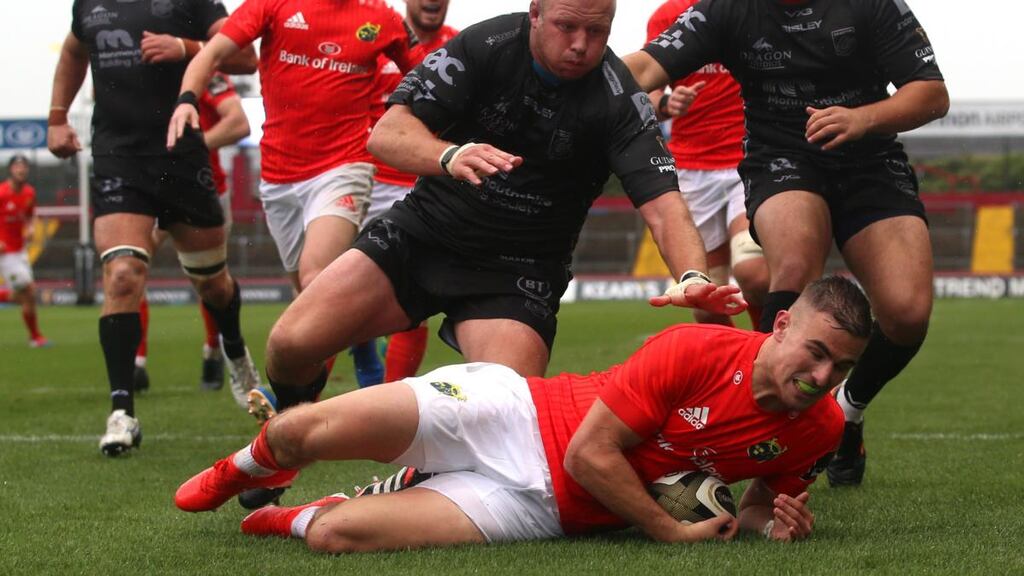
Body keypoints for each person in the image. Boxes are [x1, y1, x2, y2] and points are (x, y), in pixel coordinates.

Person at [241, 0, 743, 429]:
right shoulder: (485, 45)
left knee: (508, 413)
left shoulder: (620, 98)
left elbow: (664, 205)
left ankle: (415, 478)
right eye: (567, 26)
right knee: (289, 344)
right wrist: (449, 155)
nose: (581, 45)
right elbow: (387, 134)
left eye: (597, 31)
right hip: (426, 234)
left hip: (518, 271)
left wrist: (693, 275)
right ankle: (290, 434)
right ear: (535, 14)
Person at [173, 276, 871, 551]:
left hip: (547, 511)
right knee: (300, 430)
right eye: (813, 353)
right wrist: (666, 529)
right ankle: (238, 471)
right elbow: (587, 455)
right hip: (512, 413)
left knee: (335, 536)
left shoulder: (823, 426)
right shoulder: (694, 348)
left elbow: (750, 511)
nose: (820, 378)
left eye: (838, 369)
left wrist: (780, 524)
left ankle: (295, 512)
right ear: (779, 325)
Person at [624, 0, 949, 487]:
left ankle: (846, 410)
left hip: (870, 160)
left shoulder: (871, 5)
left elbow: (931, 94)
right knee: (792, 268)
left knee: (907, 314)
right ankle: (753, 437)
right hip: (781, 157)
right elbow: (646, 66)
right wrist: (576, 76)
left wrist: (862, 118)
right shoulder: (726, 10)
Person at [47, 0, 260, 456]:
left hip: (182, 160)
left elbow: (246, 57)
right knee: (122, 274)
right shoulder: (89, 5)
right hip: (119, 159)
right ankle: (122, 411)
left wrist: (185, 46)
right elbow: (72, 52)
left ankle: (236, 352)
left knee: (214, 287)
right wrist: (57, 117)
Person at [168, 0, 419, 295]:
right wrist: (186, 100)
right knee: (305, 294)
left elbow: (426, 78)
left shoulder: (382, 17)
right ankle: (355, 338)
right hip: (279, 178)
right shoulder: (272, 4)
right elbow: (211, 54)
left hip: (344, 167)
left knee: (315, 281)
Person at [352, 0, 460, 387]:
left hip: (424, 183)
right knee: (339, 289)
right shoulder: (376, 40)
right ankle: (296, 400)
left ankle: (388, 393)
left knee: (416, 294)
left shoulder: (461, 48)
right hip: (364, 180)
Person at [644, 0, 769, 330]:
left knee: (753, 272)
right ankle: (739, 375)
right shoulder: (667, 16)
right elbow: (648, 93)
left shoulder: (750, 9)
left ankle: (767, 360)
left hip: (750, 159)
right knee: (706, 304)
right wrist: (668, 103)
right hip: (692, 168)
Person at [135, 72, 251, 393]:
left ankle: (213, 351)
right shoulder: (133, 72)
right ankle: (136, 362)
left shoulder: (206, 72)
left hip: (204, 190)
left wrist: (191, 149)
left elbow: (239, 123)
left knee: (209, 282)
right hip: (151, 189)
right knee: (131, 268)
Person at [0, 155, 50, 348]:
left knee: (27, 296)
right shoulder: (2, 193)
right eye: (17, 166)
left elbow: (30, 217)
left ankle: (35, 337)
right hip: (6, 253)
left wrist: (30, 228)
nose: (21, 170)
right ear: (10, 169)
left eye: (24, 167)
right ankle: (35, 337)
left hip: (20, 251)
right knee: (29, 291)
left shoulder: (29, 193)